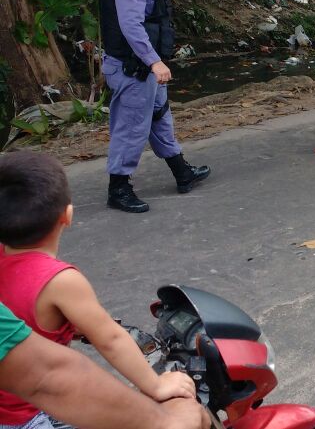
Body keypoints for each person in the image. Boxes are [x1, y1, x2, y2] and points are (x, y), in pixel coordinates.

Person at [0, 152, 197, 428]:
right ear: (67, 215)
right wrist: (156, 385)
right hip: (31, 415)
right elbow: (110, 340)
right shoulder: (61, 281)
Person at [100, 0, 209, 213]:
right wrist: (153, 61)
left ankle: (182, 172)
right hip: (132, 68)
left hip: (145, 69)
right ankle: (118, 188)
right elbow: (131, 26)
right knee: (132, 125)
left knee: (160, 116)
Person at [0, 303, 207, 429]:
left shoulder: (7, 261)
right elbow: (46, 376)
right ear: (64, 226)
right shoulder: (61, 277)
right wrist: (165, 417)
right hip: (22, 417)